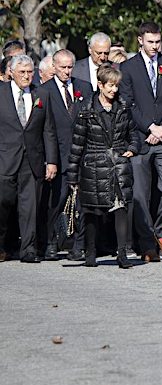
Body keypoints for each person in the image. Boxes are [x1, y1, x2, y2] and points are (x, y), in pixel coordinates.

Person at [119, 22, 162, 262]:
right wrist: (150, 127)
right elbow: (128, 104)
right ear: (140, 41)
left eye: (158, 42)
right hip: (140, 138)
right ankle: (147, 242)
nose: (155, 46)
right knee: (140, 194)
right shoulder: (127, 68)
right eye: (150, 42)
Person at [67, 65, 139, 268]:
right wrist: (73, 175)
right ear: (100, 85)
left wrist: (132, 148)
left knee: (121, 208)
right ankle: (90, 251)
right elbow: (77, 144)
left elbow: (133, 133)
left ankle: (122, 252)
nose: (114, 90)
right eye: (110, 86)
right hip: (94, 164)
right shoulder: (87, 111)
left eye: (116, 86)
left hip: (117, 166)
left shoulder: (123, 108)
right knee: (91, 211)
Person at [0, 54, 58, 262]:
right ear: (11, 73)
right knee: (3, 202)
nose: (26, 76)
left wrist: (51, 161)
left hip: (32, 159)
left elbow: (48, 130)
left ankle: (28, 249)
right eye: (22, 72)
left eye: (30, 72)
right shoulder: (2, 93)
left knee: (30, 206)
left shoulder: (41, 94)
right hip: (5, 158)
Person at [36, 49, 92, 260]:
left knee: (81, 204)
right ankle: (50, 242)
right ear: (54, 66)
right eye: (62, 67)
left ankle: (78, 245)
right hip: (57, 154)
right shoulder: (45, 90)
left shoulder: (84, 88)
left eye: (70, 67)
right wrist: (49, 158)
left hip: (82, 154)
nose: (67, 71)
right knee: (56, 201)